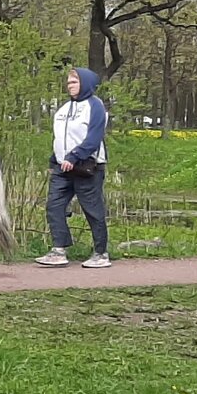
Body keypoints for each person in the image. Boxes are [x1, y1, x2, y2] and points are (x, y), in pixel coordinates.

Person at [36, 67, 111, 268]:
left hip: (87, 167)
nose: (70, 86)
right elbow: (60, 138)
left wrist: (75, 156)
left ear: (85, 83)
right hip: (63, 168)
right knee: (54, 206)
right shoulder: (63, 109)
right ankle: (59, 250)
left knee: (92, 210)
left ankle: (101, 253)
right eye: (69, 82)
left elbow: (93, 138)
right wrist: (55, 161)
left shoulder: (95, 106)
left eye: (74, 82)